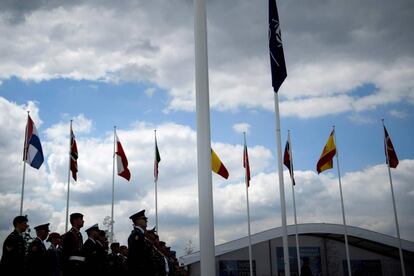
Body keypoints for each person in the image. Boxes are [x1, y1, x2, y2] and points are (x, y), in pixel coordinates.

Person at [127, 209, 155, 275]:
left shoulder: (141, 235)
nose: (146, 221)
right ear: (137, 221)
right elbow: (136, 256)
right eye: (143, 219)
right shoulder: (136, 235)